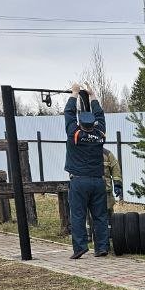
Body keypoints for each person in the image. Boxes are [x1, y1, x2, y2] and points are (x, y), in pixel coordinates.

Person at [63, 84, 109, 259]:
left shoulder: (74, 134)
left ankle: (80, 247)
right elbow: (101, 116)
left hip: (79, 181)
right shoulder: (99, 134)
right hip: (98, 181)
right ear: (93, 124)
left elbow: (68, 114)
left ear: (80, 123)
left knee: (78, 215)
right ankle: (102, 247)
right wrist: (93, 96)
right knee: (100, 216)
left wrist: (74, 94)